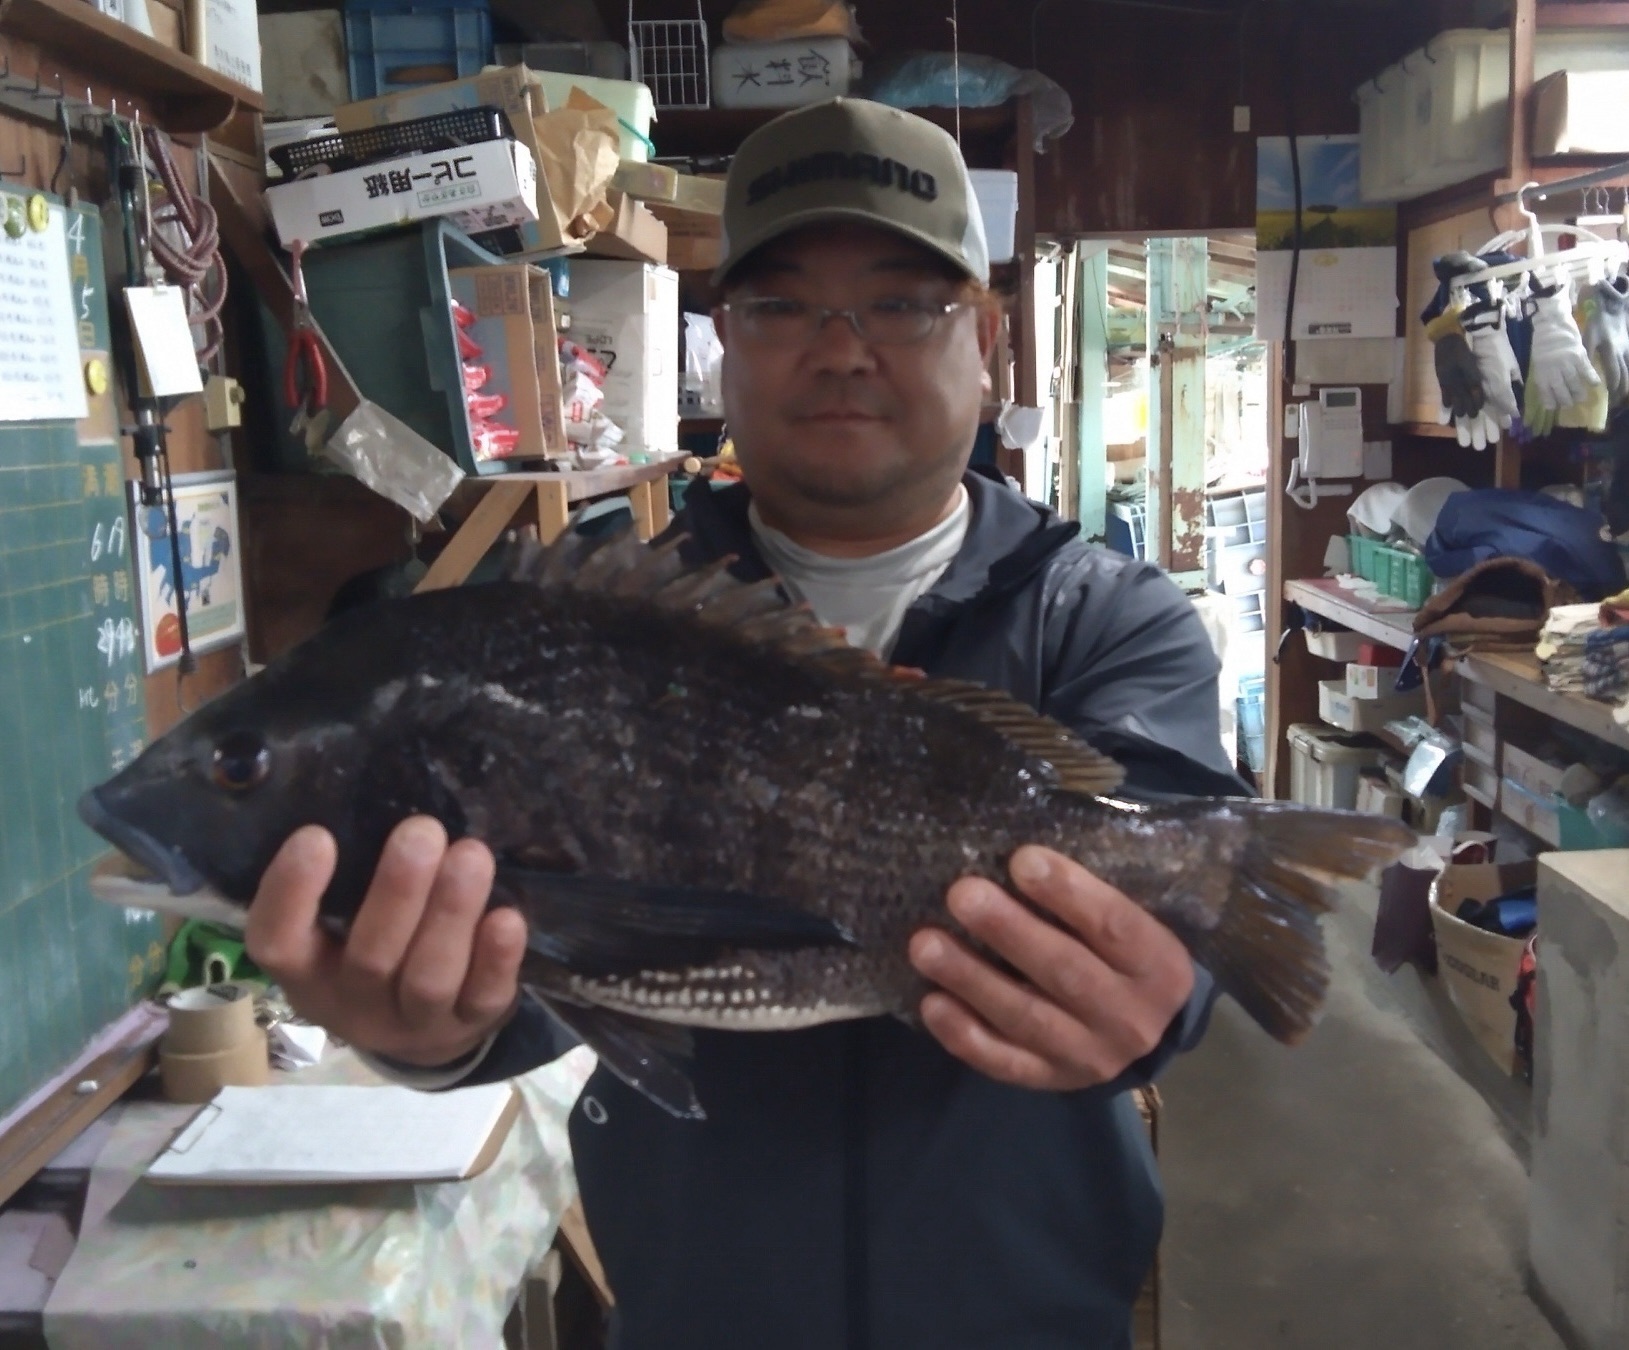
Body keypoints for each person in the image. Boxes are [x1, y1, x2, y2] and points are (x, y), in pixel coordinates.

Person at [246, 99, 1248, 1349]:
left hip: (1026, 1312)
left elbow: (1182, 906)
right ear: (725, 343)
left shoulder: (1107, 618)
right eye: (781, 306)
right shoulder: (600, 632)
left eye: (899, 301)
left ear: (986, 339)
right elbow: (551, 963)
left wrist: (1165, 999)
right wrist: (436, 1036)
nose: (840, 349)